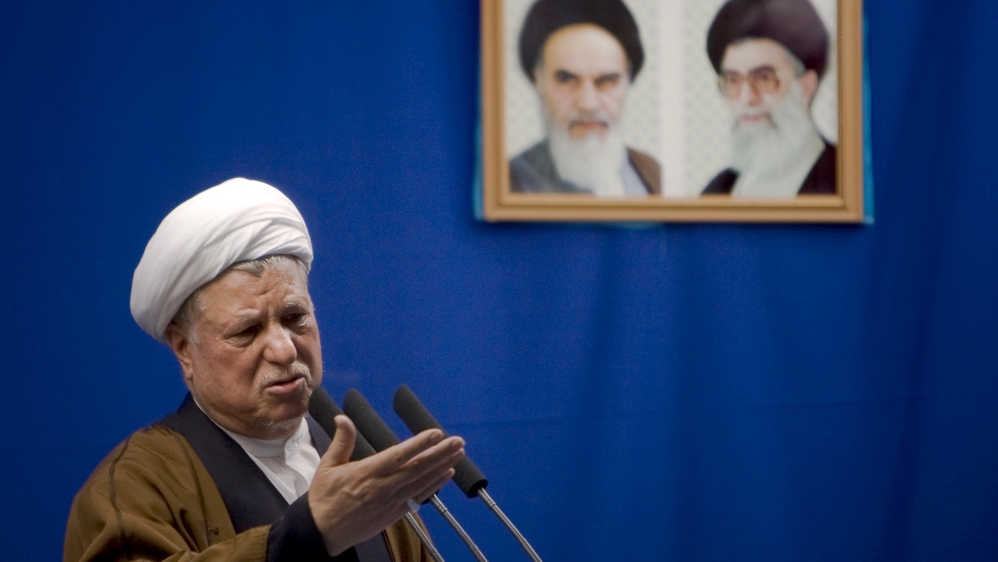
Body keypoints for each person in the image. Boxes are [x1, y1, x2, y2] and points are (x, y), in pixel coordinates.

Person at [64, 178, 465, 562]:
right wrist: (308, 533)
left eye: (295, 317)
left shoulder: (364, 471)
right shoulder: (135, 487)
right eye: (247, 330)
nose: (283, 347)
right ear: (185, 349)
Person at [510, 0, 661, 197]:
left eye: (607, 81)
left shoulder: (651, 172)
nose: (588, 104)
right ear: (539, 81)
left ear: (627, 81)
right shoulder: (509, 182)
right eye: (567, 79)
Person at [701, 0, 836, 198]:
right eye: (733, 80)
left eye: (764, 78)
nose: (747, 98)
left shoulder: (844, 180)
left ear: (806, 87)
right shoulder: (719, 189)